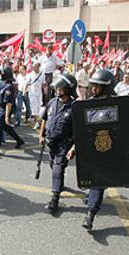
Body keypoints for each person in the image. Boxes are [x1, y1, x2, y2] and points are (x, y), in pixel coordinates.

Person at [82, 69, 116, 231]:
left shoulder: (115, 106)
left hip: (106, 149)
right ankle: (91, 196)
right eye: (93, 85)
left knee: (99, 181)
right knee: (91, 177)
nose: (93, 88)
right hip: (90, 147)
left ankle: (91, 212)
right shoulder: (89, 102)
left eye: (98, 86)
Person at [39, 74, 77, 213]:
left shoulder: (74, 107)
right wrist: (41, 134)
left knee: (57, 169)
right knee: (52, 165)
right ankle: (59, 184)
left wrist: (73, 148)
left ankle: (54, 199)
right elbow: (44, 118)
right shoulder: (52, 101)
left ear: (68, 88)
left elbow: (79, 131)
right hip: (51, 142)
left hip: (64, 144)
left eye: (61, 87)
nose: (58, 89)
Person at [0, 66, 25, 157]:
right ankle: (19, 140)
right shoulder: (6, 85)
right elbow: (1, 96)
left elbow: (9, 103)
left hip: (4, 110)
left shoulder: (8, 87)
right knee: (5, 127)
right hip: (1, 108)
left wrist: (7, 116)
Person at [25, 62, 45, 129]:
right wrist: (24, 91)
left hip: (39, 94)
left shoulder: (42, 74)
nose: (33, 67)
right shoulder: (30, 74)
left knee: (39, 109)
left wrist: (45, 92)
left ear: (38, 66)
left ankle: (38, 123)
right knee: (34, 109)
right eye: (33, 66)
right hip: (32, 94)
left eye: (35, 66)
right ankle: (36, 123)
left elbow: (43, 84)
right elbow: (27, 83)